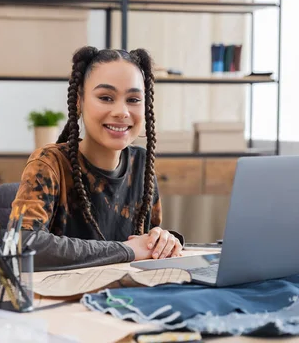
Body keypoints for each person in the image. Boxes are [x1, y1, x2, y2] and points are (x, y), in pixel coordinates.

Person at [10, 46, 184, 271]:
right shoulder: (48, 164)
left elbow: (145, 247)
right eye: (106, 97)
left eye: (133, 99)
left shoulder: (141, 164)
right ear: (79, 101)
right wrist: (126, 250)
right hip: (62, 299)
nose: (121, 111)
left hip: (124, 296)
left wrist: (163, 240)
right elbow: (22, 245)